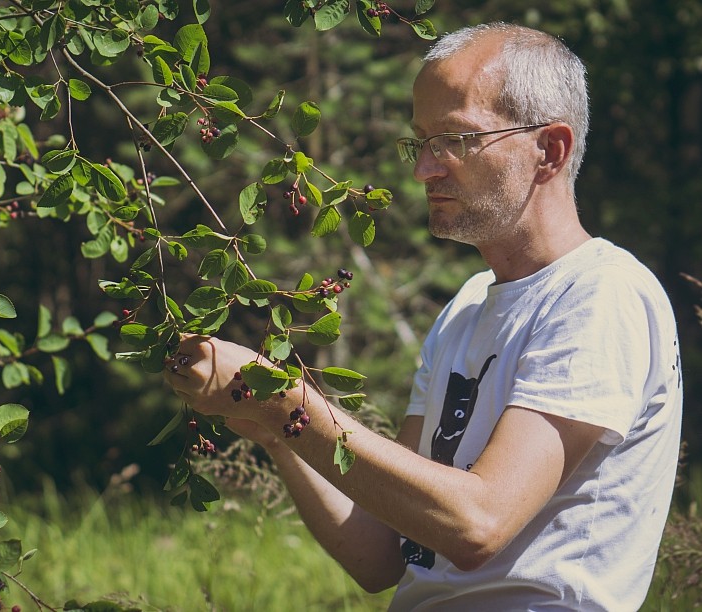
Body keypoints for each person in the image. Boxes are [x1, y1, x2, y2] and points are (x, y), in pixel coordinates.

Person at [164, 22, 683, 611]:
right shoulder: (465, 307)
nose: (425, 170)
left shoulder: (601, 293)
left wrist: (292, 402)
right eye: (421, 142)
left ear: (550, 150)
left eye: (456, 140)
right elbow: (381, 553)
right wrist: (275, 427)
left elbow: (477, 523)